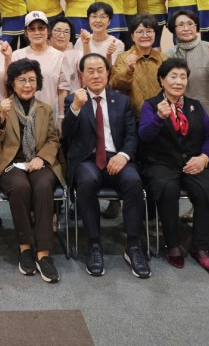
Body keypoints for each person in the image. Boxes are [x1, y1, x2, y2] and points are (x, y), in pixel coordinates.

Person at [62, 53, 150, 279]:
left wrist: (123, 155)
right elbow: (67, 134)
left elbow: (131, 135)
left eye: (100, 70)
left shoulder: (121, 100)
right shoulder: (73, 100)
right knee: (87, 181)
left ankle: (133, 245)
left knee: (133, 181)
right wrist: (76, 108)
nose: (95, 75)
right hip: (87, 159)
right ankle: (94, 244)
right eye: (90, 71)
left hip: (117, 157)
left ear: (108, 73)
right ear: (82, 75)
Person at [138, 58, 209, 271]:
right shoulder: (151, 105)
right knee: (168, 188)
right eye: (173, 76)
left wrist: (204, 158)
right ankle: (173, 244)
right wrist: (158, 118)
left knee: (208, 188)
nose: (178, 81)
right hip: (162, 162)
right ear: (162, 80)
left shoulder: (195, 105)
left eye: (183, 77)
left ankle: (201, 246)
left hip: (193, 161)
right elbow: (144, 136)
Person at [0, 58, 65, 283]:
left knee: (43, 187)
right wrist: (2, 117)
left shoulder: (45, 109)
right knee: (20, 187)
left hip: (38, 161)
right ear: (12, 83)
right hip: (11, 163)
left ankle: (43, 253)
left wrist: (42, 158)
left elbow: (53, 140)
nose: (27, 84)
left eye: (32, 80)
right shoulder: (2, 106)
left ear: (38, 83)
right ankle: (25, 247)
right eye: (21, 80)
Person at [164, 10, 209, 116]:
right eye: (181, 25)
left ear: (196, 26)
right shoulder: (167, 55)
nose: (186, 28)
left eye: (190, 24)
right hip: (179, 114)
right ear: (174, 29)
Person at [12, 11, 70, 132]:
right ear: (26, 32)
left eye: (41, 28)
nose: (37, 32)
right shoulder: (17, 55)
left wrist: (61, 116)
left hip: (49, 115)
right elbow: (11, 88)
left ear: (48, 31)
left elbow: (62, 90)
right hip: (22, 115)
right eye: (32, 29)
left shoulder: (59, 56)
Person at [110, 14, 164, 119]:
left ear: (154, 34)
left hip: (160, 115)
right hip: (133, 117)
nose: (145, 35)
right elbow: (115, 84)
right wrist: (129, 70)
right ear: (132, 36)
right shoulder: (123, 58)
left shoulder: (163, 58)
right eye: (140, 32)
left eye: (149, 31)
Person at [75, 2, 125, 68]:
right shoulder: (80, 41)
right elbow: (79, 69)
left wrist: (108, 55)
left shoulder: (117, 44)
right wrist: (85, 45)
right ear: (88, 20)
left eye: (103, 17)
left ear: (109, 21)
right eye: (94, 16)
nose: (98, 20)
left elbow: (111, 72)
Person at [50, 16, 82, 93]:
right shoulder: (44, 54)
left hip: (73, 97)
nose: (62, 35)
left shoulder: (78, 55)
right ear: (49, 33)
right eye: (58, 31)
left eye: (66, 32)